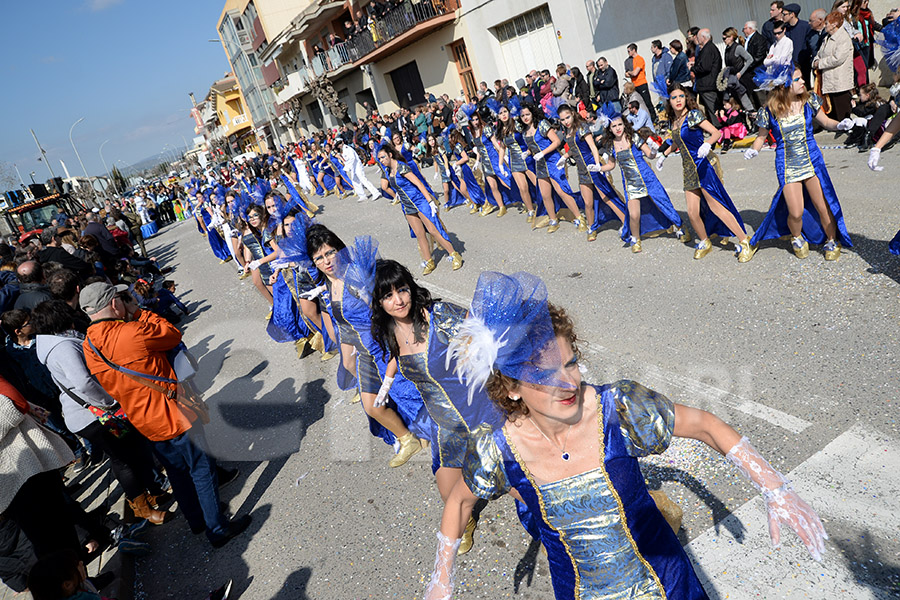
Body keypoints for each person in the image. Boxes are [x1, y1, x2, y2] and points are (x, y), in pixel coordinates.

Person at [423, 271, 826, 600]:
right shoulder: (497, 451)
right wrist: (442, 577)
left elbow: (704, 424)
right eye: (544, 374)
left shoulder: (618, 410)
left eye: (572, 363)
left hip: (668, 587)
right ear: (511, 387)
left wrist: (776, 489)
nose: (568, 383)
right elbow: (459, 502)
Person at [80, 281, 251, 548]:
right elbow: (172, 334)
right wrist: (139, 312)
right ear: (115, 304)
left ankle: (196, 521)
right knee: (201, 469)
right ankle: (217, 528)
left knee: (177, 470)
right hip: (173, 411)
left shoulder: (89, 346)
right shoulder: (132, 331)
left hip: (142, 418)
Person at [32, 300, 172, 525]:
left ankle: (150, 493)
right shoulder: (63, 347)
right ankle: (142, 508)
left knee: (132, 451)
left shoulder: (53, 345)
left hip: (90, 414)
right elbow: (84, 382)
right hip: (94, 415)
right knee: (122, 459)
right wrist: (112, 401)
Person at [306, 228, 428, 465]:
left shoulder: (355, 276)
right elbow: (342, 323)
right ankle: (408, 438)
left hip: (383, 348)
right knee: (373, 405)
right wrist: (346, 350)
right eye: (319, 257)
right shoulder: (328, 285)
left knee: (408, 393)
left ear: (340, 249)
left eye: (330, 252)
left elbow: (388, 309)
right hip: (364, 353)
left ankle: (427, 433)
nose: (326, 261)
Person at [744, 64, 854, 261]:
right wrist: (754, 150)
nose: (804, 82)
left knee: (822, 205)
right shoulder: (769, 110)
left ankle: (831, 239)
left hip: (811, 160)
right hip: (786, 164)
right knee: (795, 212)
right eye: (798, 79)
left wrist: (840, 124)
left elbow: (826, 122)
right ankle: (796, 237)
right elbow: (761, 137)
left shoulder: (809, 100)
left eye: (802, 78)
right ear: (784, 85)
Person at [657, 86, 756, 261]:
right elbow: (678, 142)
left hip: (702, 165)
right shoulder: (675, 121)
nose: (678, 100)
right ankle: (704, 241)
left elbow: (716, 132)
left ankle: (744, 240)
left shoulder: (693, 115)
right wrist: (663, 155)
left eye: (681, 96)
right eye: (674, 97)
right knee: (692, 212)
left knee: (716, 206)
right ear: (669, 101)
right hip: (688, 170)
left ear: (686, 98)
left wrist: (708, 143)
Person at [598, 105, 688, 252]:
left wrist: (653, 149)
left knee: (663, 203)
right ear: (609, 128)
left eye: (620, 124)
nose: (618, 128)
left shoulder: (633, 137)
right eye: (614, 126)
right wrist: (598, 168)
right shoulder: (611, 145)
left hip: (647, 178)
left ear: (624, 124)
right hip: (630, 183)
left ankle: (681, 226)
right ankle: (636, 239)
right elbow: (610, 165)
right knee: (633, 214)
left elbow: (650, 155)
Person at [556, 103, 625, 242]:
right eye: (563, 119)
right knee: (588, 203)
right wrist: (564, 157)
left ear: (573, 114)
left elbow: (593, 147)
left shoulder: (582, 128)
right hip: (581, 171)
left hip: (593, 167)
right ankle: (592, 227)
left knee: (607, 197)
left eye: (568, 117)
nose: (566, 121)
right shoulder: (568, 132)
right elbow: (575, 149)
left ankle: (626, 221)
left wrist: (598, 165)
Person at [519, 103, 584, 234]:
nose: (525, 117)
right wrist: (528, 152)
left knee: (561, 191)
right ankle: (553, 219)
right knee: (545, 194)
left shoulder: (542, 124)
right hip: (540, 165)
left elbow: (556, 142)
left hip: (552, 161)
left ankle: (579, 217)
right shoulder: (525, 131)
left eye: (527, 114)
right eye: (522, 116)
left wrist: (543, 153)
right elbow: (533, 146)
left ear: (532, 113)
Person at [814, 11, 855, 120]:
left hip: (839, 81)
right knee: (832, 110)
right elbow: (819, 53)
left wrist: (820, 63)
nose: (824, 25)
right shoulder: (826, 38)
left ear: (834, 24)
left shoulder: (843, 38)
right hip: (828, 81)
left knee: (842, 111)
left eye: (826, 23)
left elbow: (838, 59)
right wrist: (815, 61)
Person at [692, 29, 723, 124]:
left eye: (698, 37)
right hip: (707, 84)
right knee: (710, 110)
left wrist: (693, 68)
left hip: (708, 84)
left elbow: (705, 67)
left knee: (713, 110)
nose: (696, 39)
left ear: (704, 37)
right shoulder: (708, 48)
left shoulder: (708, 49)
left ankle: (719, 130)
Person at [722, 27, 756, 111]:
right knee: (737, 104)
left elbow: (750, 59)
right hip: (732, 79)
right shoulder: (727, 49)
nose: (723, 40)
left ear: (731, 37)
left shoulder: (738, 48)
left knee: (746, 102)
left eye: (724, 38)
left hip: (742, 79)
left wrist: (741, 73)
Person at [625, 43, 654, 120]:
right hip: (635, 85)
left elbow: (635, 73)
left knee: (647, 102)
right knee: (638, 103)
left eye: (629, 51)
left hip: (641, 83)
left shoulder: (639, 59)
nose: (628, 53)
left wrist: (630, 72)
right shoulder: (630, 61)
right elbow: (626, 74)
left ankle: (654, 117)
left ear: (633, 50)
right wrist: (630, 73)